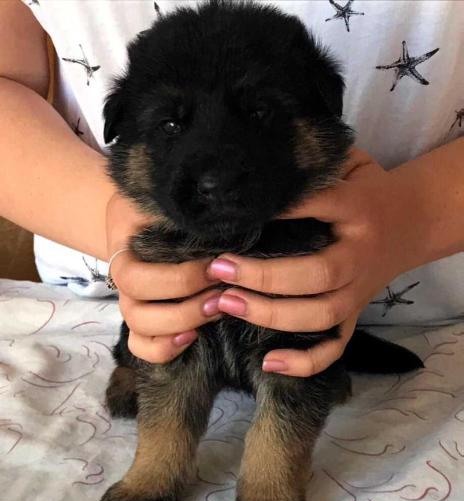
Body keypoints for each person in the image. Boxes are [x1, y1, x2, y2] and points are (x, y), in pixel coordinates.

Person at [1, 0, 463, 378]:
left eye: (260, 113)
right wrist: (105, 214)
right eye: (171, 125)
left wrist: (414, 215)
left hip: (435, 318)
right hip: (91, 310)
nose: (216, 178)